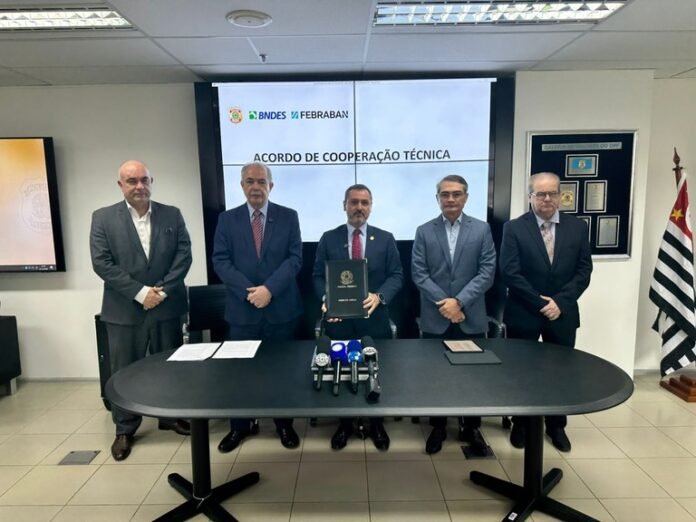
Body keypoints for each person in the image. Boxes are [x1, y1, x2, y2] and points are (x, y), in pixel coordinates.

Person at [90, 160, 192, 461]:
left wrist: (161, 291)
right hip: (125, 309)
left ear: (151, 181)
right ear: (120, 185)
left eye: (144, 180)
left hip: (166, 306)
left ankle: (169, 417)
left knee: (170, 365)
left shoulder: (172, 214)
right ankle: (124, 429)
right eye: (132, 181)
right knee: (123, 371)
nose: (139, 186)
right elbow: (101, 263)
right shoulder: (103, 218)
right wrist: (140, 293)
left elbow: (184, 255)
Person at [213, 161, 303, 452]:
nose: (256, 187)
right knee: (240, 373)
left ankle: (284, 425)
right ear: (241, 186)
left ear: (271, 186)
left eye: (261, 182)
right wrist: (250, 292)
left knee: (282, 372)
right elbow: (220, 261)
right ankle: (240, 427)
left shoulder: (288, 216)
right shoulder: (227, 220)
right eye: (250, 181)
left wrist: (269, 290)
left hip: (281, 310)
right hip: (243, 311)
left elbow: (295, 259)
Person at [500, 171, 592, 452]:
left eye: (553, 193)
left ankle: (556, 426)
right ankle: (521, 423)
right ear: (530, 196)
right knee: (522, 372)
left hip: (562, 314)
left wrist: (559, 303)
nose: (547, 199)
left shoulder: (577, 228)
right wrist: (540, 303)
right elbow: (510, 272)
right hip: (524, 312)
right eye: (541, 194)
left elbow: (583, 271)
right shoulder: (514, 228)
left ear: (561, 195)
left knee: (560, 373)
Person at [313, 184, 403, 451]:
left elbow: (397, 275)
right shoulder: (329, 238)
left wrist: (379, 296)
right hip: (339, 322)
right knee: (341, 371)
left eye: (365, 202)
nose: (359, 208)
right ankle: (345, 423)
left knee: (375, 371)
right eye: (354, 202)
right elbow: (316, 276)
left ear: (371, 206)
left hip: (373, 321)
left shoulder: (385, 238)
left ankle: (377, 424)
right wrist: (327, 300)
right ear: (345, 205)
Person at [412, 175, 496, 455]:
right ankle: (438, 426)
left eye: (456, 194)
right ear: (437, 198)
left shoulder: (481, 229)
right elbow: (419, 274)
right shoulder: (424, 231)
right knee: (436, 375)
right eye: (445, 194)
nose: (450, 199)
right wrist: (446, 305)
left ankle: (471, 428)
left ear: (466, 197)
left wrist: (459, 302)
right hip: (436, 318)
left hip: (470, 317)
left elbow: (487, 272)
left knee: (473, 375)